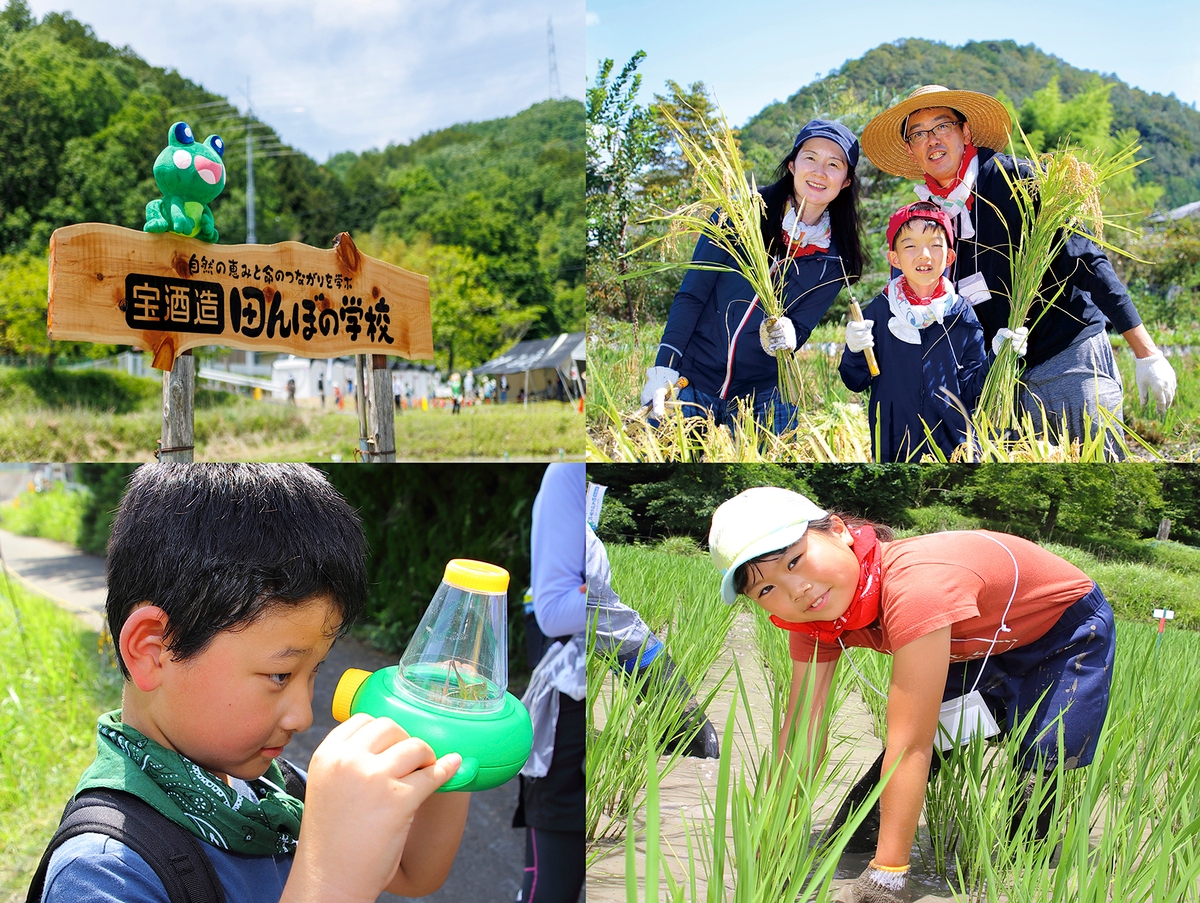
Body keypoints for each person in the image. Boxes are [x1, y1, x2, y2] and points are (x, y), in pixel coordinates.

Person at [33, 464, 470, 903]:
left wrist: (448, 731)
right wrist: (331, 881)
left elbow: (414, 872)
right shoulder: (101, 874)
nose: (304, 717)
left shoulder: (277, 793)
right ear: (153, 649)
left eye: (313, 670)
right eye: (280, 675)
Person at [708, 486, 1115, 903]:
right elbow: (801, 735)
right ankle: (853, 849)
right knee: (913, 769)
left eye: (794, 561)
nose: (795, 590)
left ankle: (1020, 878)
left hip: (1064, 633)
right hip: (971, 639)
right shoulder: (816, 620)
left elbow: (910, 743)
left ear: (838, 530)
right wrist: (774, 839)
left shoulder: (917, 586)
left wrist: (887, 878)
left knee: (1041, 764)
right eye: (765, 590)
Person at [861, 85, 1177, 454]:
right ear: (910, 150)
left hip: (1067, 356)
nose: (932, 140)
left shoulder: (1017, 179)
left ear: (965, 133)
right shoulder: (926, 220)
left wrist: (1146, 352)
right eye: (918, 134)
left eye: (942, 126)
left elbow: (1087, 261)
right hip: (1001, 378)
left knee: (1094, 465)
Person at [641, 119, 866, 433]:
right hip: (692, 375)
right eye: (810, 158)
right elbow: (693, 294)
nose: (819, 172)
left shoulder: (835, 259)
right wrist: (664, 366)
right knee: (662, 443)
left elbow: (801, 327)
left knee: (783, 435)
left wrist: (791, 334)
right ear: (792, 164)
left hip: (758, 392)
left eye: (833, 164)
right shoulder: (739, 214)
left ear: (845, 181)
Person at [840, 201, 1021, 461]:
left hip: (955, 449)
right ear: (895, 258)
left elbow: (973, 390)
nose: (924, 254)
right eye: (910, 245)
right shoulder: (879, 312)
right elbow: (854, 381)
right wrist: (855, 350)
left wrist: (998, 357)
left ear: (949, 257)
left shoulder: (961, 313)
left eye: (935, 245)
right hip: (894, 449)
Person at [513, 463, 587, 903]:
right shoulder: (567, 476)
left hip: (616, 686)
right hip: (566, 709)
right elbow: (555, 610)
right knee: (550, 886)